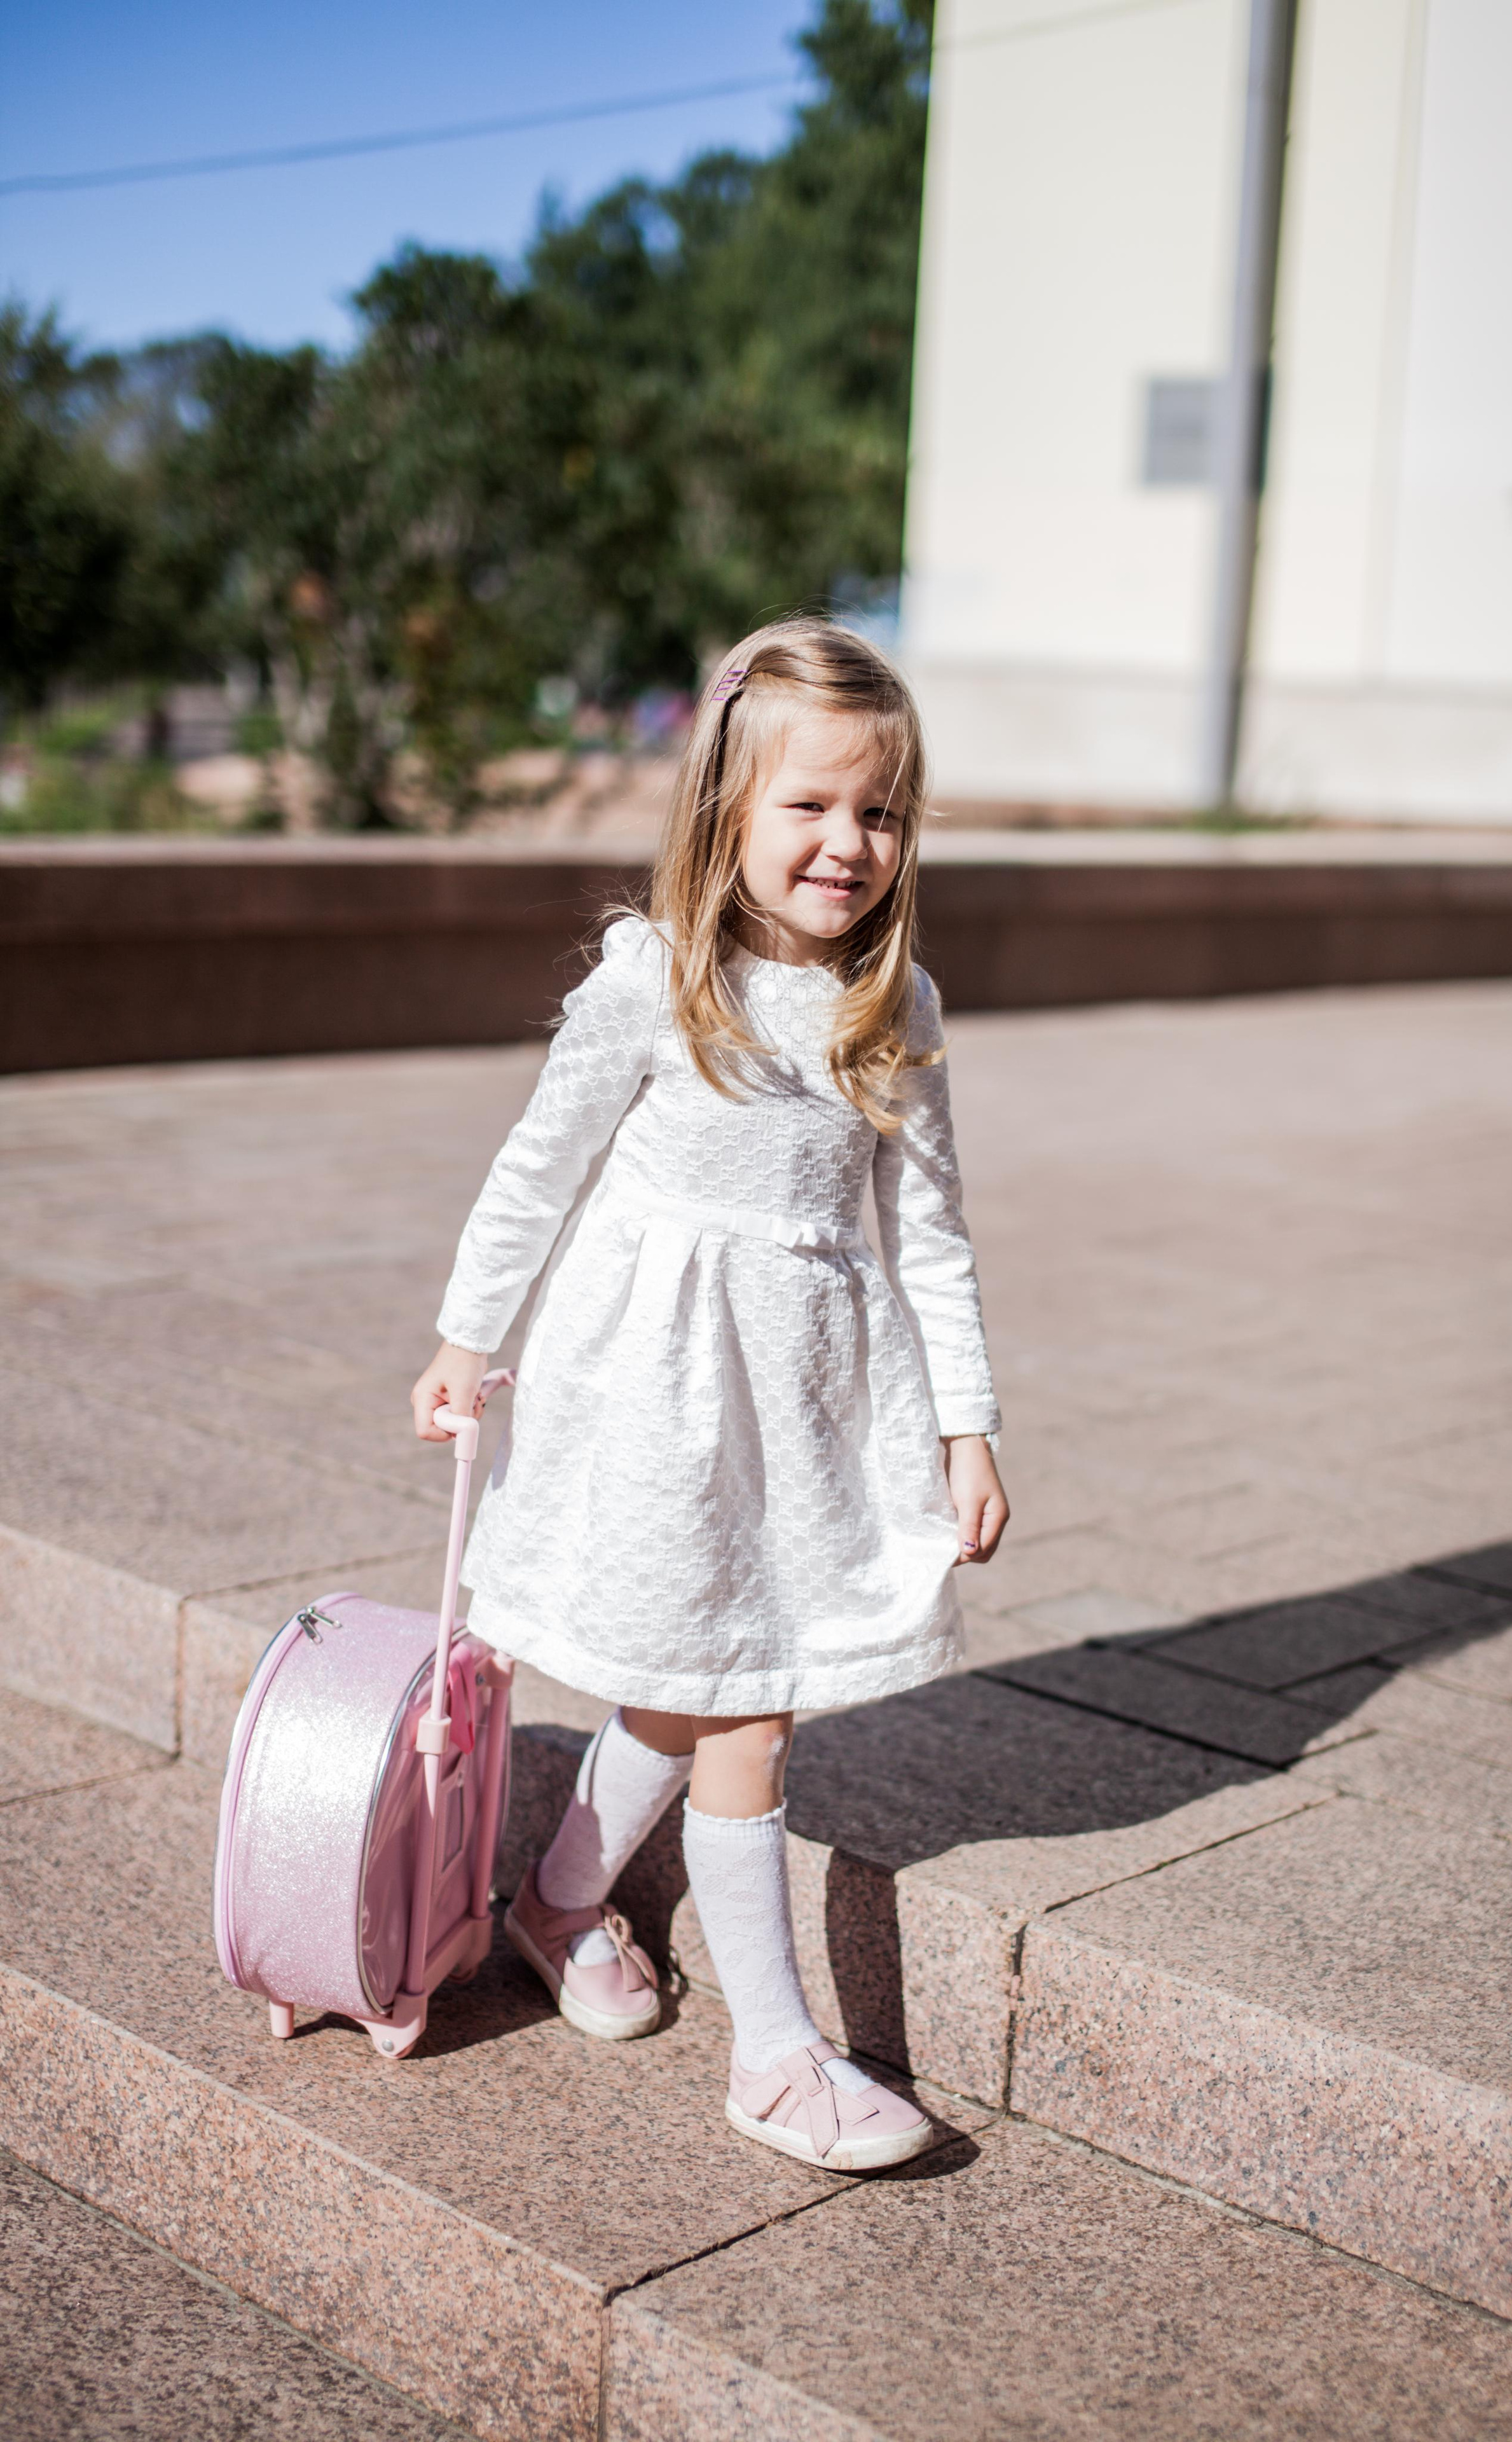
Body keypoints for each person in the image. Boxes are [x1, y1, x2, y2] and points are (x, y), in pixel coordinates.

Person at [410, 616, 1007, 2172]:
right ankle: (777, 2057)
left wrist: (965, 1423)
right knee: (748, 1705)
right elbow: (535, 1171)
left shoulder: (900, 1007)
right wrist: (467, 1341)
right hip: (659, 1397)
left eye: (877, 812)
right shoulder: (660, 978)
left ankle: (553, 1903)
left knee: (690, 1684)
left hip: (809, 1407)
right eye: (809, 805)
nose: (846, 842)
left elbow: (928, 1235)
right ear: (727, 809)